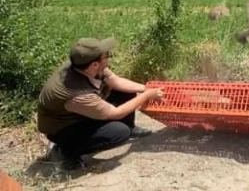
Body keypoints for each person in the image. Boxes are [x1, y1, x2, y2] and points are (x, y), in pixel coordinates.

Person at [37, 37, 165, 170]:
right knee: (119, 133)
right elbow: (115, 113)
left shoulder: (84, 65)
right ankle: (67, 151)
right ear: (95, 64)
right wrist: (146, 96)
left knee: (124, 91)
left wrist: (146, 88)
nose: (109, 57)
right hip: (64, 128)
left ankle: (130, 126)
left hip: (79, 112)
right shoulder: (77, 93)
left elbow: (116, 81)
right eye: (106, 55)